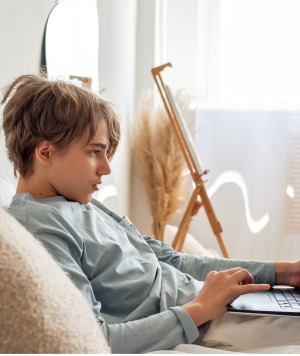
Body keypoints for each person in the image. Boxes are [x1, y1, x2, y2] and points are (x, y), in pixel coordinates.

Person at [2, 74, 300, 354]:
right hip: (208, 324)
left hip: (217, 305)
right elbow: (94, 338)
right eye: (95, 152)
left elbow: (170, 259)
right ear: (45, 153)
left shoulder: (80, 203)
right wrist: (200, 309)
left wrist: (281, 271)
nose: (106, 168)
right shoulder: (39, 228)